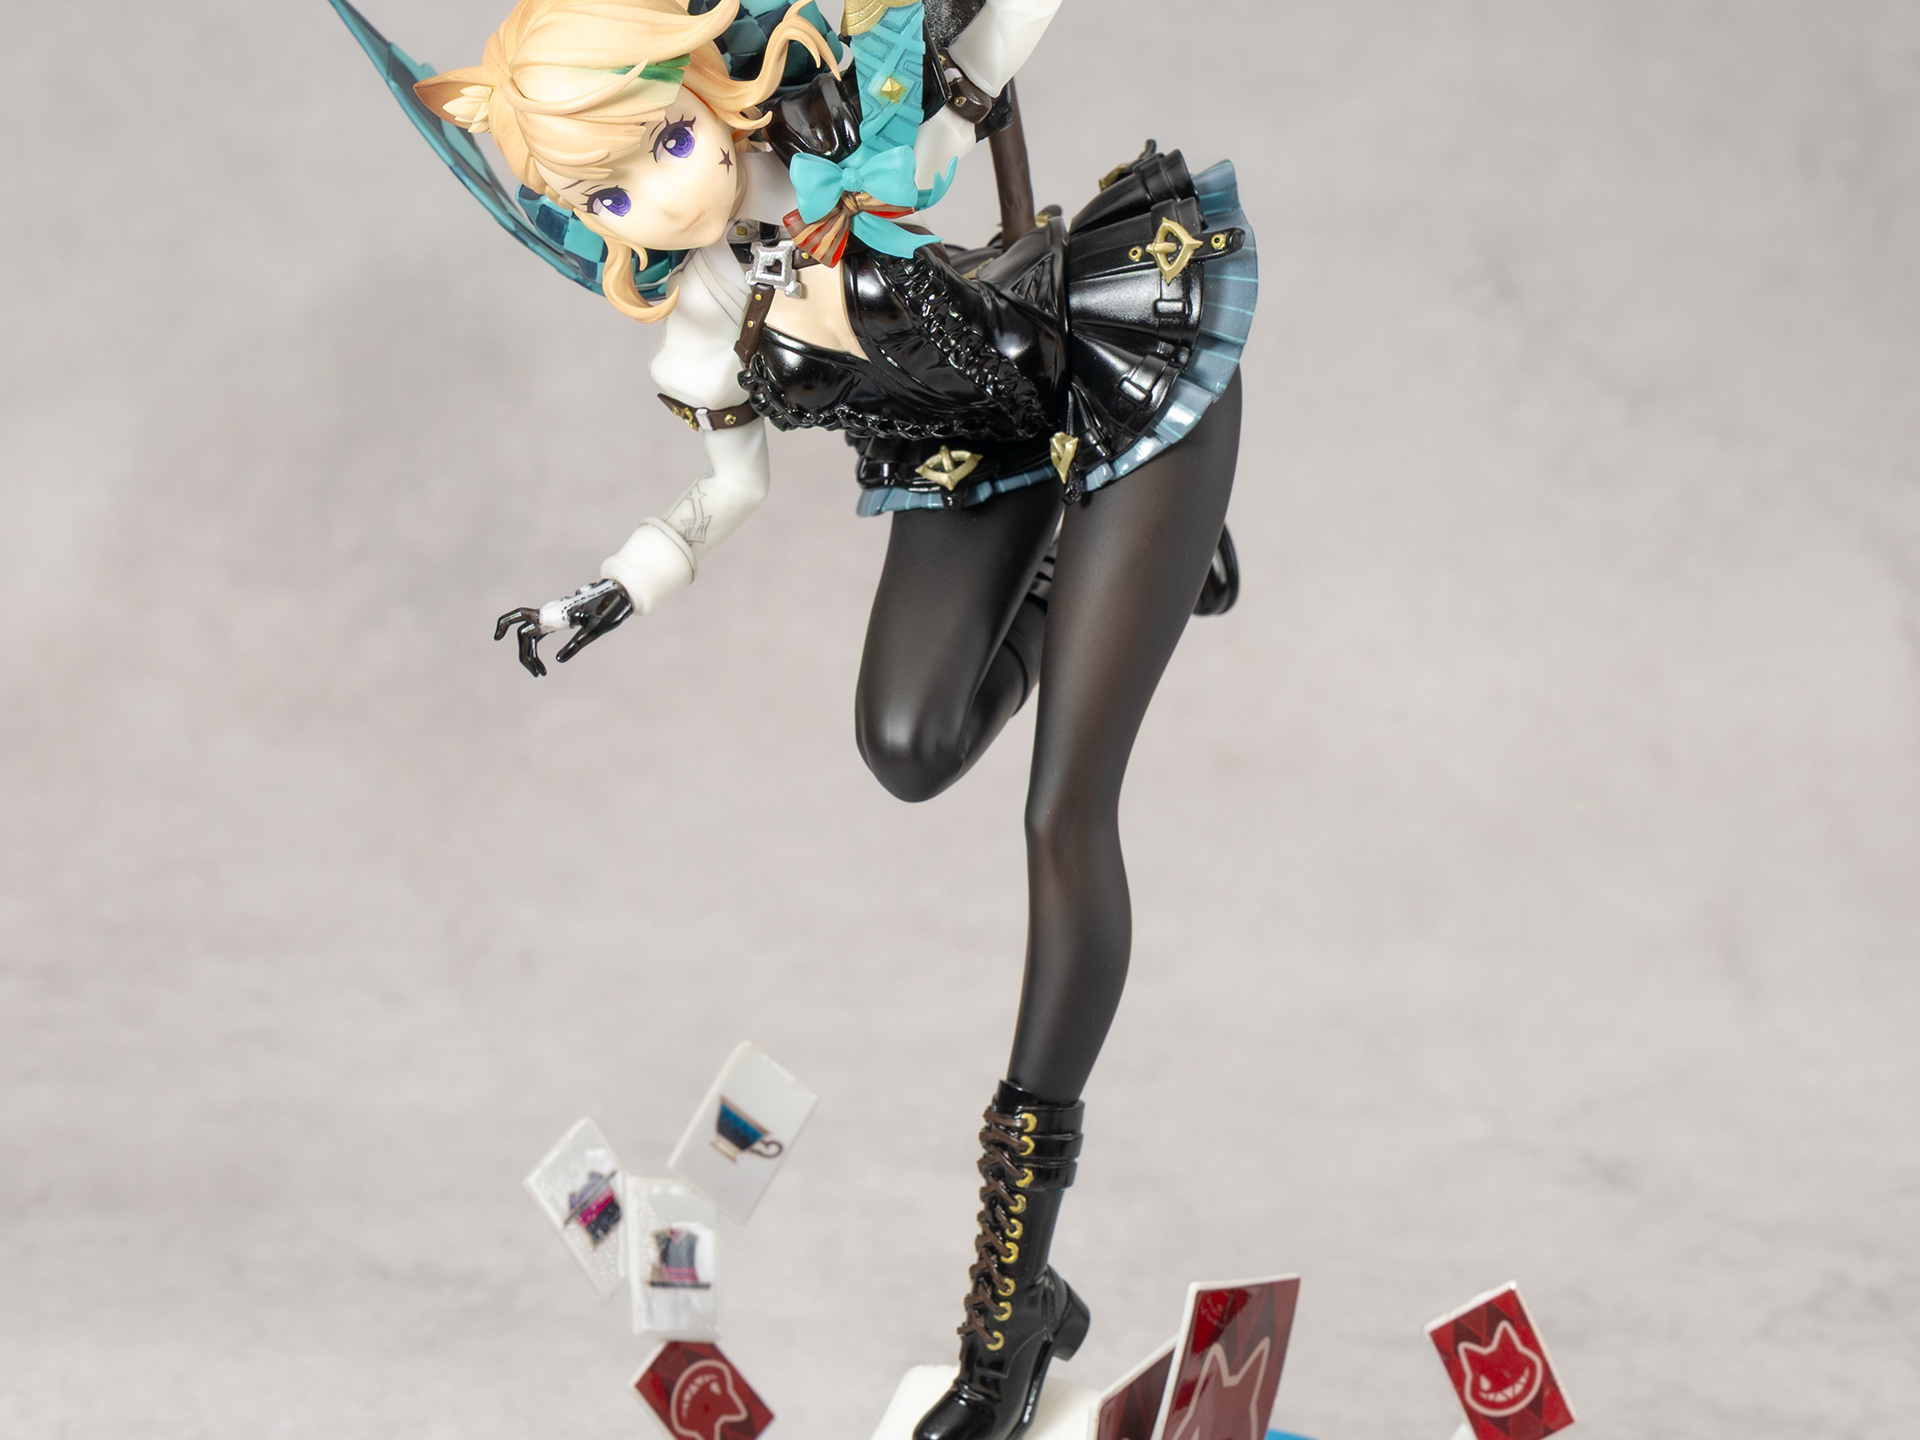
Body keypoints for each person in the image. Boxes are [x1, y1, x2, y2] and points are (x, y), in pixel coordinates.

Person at [359, 2, 1257, 1437]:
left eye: (664, 142)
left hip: (1121, 367)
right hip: (981, 451)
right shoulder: (701, 332)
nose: (659, 198)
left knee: (1062, 816)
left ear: (704, 85)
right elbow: (725, 493)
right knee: (908, 744)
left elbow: (1009, 29)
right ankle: (1122, 571)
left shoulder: (857, 139)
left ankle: (1009, 1316)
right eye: (607, 193)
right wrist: (596, 599)